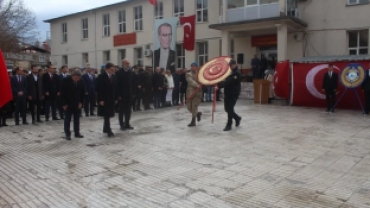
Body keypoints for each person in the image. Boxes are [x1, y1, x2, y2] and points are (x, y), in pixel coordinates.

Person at [217, 59, 242, 131]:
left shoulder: (236, 73)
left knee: (230, 108)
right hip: (228, 93)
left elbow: (228, 82)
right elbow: (225, 80)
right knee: (227, 109)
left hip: (233, 93)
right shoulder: (231, 72)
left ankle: (229, 124)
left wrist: (219, 86)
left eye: (232, 65)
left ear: (235, 64)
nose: (230, 66)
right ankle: (237, 118)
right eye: (230, 65)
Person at [61, 70, 85, 140]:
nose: (76, 79)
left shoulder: (81, 81)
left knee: (77, 119)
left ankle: (77, 132)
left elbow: (82, 93)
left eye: (78, 77)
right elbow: (62, 93)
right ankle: (67, 133)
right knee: (67, 119)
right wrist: (64, 104)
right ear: (72, 76)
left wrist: (81, 103)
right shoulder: (65, 81)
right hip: (68, 103)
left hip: (77, 104)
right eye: (75, 77)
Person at [97, 63, 117, 137]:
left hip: (111, 98)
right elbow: (99, 90)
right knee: (106, 114)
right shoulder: (101, 77)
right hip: (104, 99)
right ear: (107, 69)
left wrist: (116, 98)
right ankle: (109, 130)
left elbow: (115, 88)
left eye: (113, 69)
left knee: (108, 115)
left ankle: (105, 128)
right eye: (111, 69)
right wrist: (100, 100)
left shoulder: (114, 77)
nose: (113, 71)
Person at [115, 59, 136, 131]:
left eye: (128, 64)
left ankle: (127, 123)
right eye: (126, 63)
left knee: (128, 110)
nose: (128, 65)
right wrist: (118, 95)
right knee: (121, 110)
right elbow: (117, 85)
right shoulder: (118, 73)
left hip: (129, 94)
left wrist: (133, 93)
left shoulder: (131, 72)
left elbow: (133, 83)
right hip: (122, 95)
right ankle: (122, 124)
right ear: (123, 64)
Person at [185, 62, 202, 127]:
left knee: (194, 107)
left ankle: (193, 121)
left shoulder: (200, 74)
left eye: (194, 66)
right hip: (190, 92)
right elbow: (190, 81)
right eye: (192, 66)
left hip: (198, 93)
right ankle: (197, 114)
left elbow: (203, 80)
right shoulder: (188, 74)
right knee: (189, 107)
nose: (192, 67)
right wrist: (197, 85)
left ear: (196, 67)